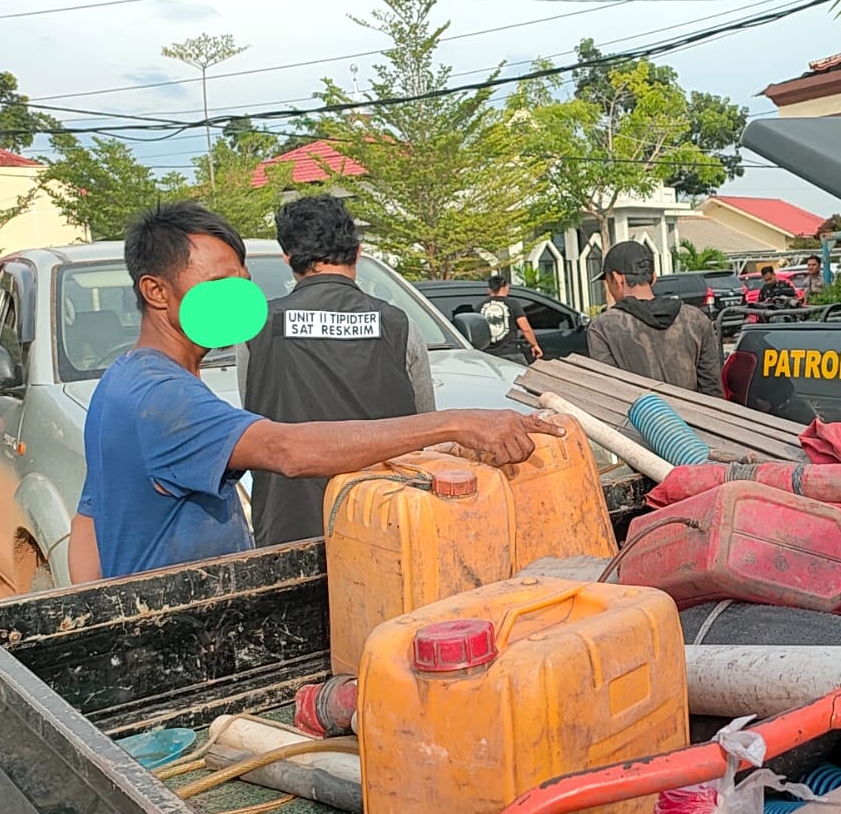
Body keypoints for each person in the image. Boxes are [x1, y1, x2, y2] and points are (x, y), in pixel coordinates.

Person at [71, 201, 563, 583]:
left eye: (243, 282)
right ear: (156, 291)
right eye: (219, 283)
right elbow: (285, 449)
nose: (239, 298)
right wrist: (456, 423)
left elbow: (89, 522)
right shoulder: (162, 397)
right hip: (190, 638)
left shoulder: (123, 380)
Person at [235, 194, 438, 548]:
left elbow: (255, 420)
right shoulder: (399, 325)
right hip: (387, 530)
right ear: (357, 252)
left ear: (288, 258)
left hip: (290, 533)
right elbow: (427, 430)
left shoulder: (256, 328)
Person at [586, 240, 721, 396]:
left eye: (607, 282)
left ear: (617, 279)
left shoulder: (602, 327)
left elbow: (610, 392)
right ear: (654, 278)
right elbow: (712, 389)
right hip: (693, 412)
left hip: (634, 412)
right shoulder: (696, 319)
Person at [479, 274, 543, 364]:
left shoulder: (480, 306)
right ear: (506, 287)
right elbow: (525, 329)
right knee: (524, 373)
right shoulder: (513, 304)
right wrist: (534, 345)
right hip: (509, 353)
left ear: (489, 290)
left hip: (488, 355)